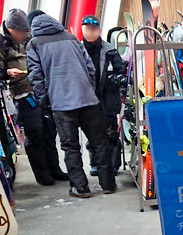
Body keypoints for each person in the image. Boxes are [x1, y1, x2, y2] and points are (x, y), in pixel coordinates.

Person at [27, 14, 117, 197]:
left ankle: (80, 187)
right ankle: (108, 184)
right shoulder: (70, 37)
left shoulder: (35, 43)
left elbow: (35, 77)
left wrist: (45, 102)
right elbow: (90, 68)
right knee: (99, 142)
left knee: (70, 147)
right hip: (87, 99)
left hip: (62, 104)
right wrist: (88, 90)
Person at [0, 9, 67, 186]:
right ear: (10, 29)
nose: (23, 35)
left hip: (40, 89)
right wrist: (8, 72)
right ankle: (42, 175)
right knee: (35, 133)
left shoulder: (29, 39)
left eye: (26, 32)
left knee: (49, 130)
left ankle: (54, 169)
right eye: (21, 32)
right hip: (21, 94)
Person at [80, 15, 127, 176]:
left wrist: (115, 78)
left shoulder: (109, 50)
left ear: (99, 31)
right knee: (92, 132)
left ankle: (112, 164)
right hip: (87, 99)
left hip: (107, 98)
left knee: (110, 132)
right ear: (82, 30)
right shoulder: (78, 49)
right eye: (87, 29)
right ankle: (95, 163)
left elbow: (121, 70)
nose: (90, 33)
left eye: (93, 30)